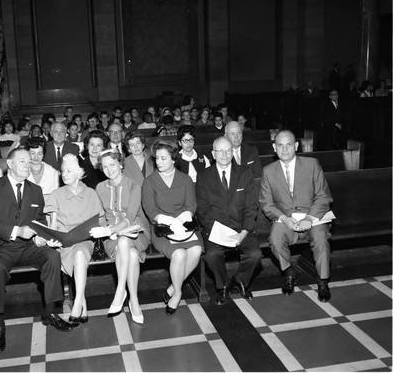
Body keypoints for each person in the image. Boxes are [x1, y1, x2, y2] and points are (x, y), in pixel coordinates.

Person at [0, 148, 73, 353]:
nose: (28, 165)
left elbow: (39, 220)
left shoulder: (35, 190)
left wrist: (41, 236)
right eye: (22, 161)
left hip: (28, 246)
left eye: (29, 162)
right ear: (9, 164)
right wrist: (16, 231)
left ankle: (50, 313)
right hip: (0, 247)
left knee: (52, 257)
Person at [259, 130, 333, 302]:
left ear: (297, 146)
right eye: (280, 145)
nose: (284, 149)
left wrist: (309, 218)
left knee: (321, 238)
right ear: (274, 147)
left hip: (312, 217)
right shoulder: (269, 171)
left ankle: (323, 281)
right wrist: (284, 219)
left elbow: (323, 196)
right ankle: (288, 271)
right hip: (286, 219)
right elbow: (266, 203)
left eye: (289, 144)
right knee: (275, 239)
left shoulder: (312, 164)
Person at [196, 137, 261, 305]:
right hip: (216, 229)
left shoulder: (245, 173)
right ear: (213, 154)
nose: (224, 154)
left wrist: (243, 232)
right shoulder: (203, 177)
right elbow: (202, 211)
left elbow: (251, 207)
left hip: (242, 229)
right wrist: (221, 232)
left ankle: (240, 281)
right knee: (212, 255)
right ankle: (223, 285)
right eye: (220, 151)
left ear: (233, 152)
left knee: (255, 255)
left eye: (228, 150)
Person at [141, 140, 203, 315]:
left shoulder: (185, 179)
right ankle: (178, 293)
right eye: (157, 158)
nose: (158, 162)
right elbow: (150, 209)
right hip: (162, 228)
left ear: (173, 159)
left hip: (185, 226)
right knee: (179, 254)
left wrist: (181, 219)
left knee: (196, 250)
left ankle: (171, 288)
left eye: (163, 158)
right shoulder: (150, 182)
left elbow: (191, 205)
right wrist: (169, 221)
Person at [44, 154, 104, 325]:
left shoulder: (91, 194)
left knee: (80, 253)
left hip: (84, 241)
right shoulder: (56, 194)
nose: (64, 174)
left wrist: (94, 230)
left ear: (79, 173)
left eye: (69, 170)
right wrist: (51, 239)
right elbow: (52, 225)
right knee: (77, 255)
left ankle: (76, 301)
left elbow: (99, 221)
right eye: (63, 170)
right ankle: (81, 302)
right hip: (63, 243)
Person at [93, 150, 151, 324]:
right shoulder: (100, 187)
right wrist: (106, 229)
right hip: (111, 236)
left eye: (112, 164)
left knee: (125, 240)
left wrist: (113, 231)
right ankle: (134, 300)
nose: (109, 169)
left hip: (136, 230)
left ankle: (120, 291)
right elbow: (100, 216)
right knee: (131, 254)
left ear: (120, 163)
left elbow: (130, 217)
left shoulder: (134, 185)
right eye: (104, 167)